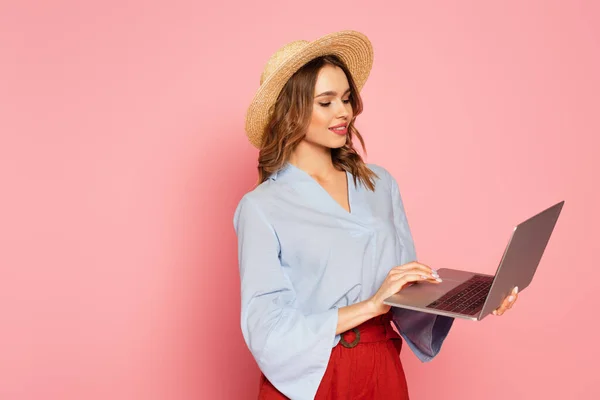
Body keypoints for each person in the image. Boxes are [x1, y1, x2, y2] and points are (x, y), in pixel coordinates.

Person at [233, 30, 519, 400]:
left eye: (347, 99)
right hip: (312, 375)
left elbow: (403, 292)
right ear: (292, 111)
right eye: (326, 102)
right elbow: (266, 327)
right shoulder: (261, 207)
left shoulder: (379, 184)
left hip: (381, 365)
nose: (345, 112)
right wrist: (371, 305)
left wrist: (474, 300)